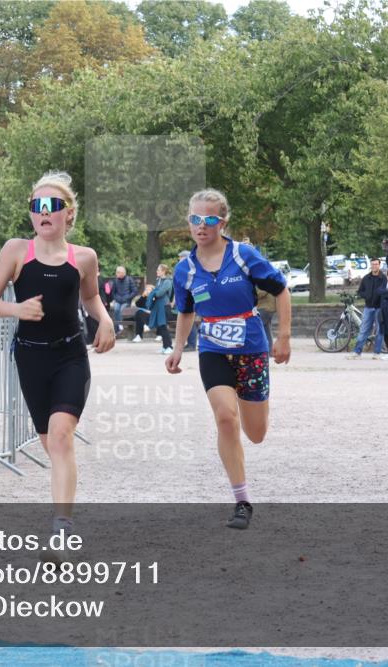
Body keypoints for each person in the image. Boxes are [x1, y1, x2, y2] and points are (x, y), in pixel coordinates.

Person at [0, 171, 115, 548]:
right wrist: (16, 309)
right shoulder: (16, 251)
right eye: (36, 206)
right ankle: (64, 510)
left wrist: (104, 320)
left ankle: (61, 528)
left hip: (70, 355)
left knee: (60, 436)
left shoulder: (84, 257)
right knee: (51, 443)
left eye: (52, 206)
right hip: (31, 360)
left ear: (67, 214)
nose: (43, 213)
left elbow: (90, 299)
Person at [166, 188, 291, 530]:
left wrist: (283, 337)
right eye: (195, 219)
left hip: (250, 348)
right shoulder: (185, 270)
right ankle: (242, 501)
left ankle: (258, 409)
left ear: (222, 222)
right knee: (225, 418)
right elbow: (186, 310)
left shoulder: (243, 255)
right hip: (212, 349)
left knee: (256, 433)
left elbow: (281, 290)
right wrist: (178, 347)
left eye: (208, 219)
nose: (201, 226)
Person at [347, 257, 386, 359]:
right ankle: (357, 352)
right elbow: (360, 291)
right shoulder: (366, 278)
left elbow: (386, 292)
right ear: (371, 266)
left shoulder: (384, 278)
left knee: (379, 331)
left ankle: (377, 353)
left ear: (379, 265)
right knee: (364, 330)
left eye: (376, 264)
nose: (374, 266)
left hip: (380, 308)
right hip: (368, 307)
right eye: (373, 264)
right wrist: (367, 295)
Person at [146, 264, 174, 354]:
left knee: (163, 326)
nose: (157, 271)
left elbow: (159, 293)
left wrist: (153, 292)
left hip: (164, 306)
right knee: (160, 327)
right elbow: (157, 292)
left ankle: (169, 346)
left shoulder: (167, 281)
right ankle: (164, 346)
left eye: (158, 270)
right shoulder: (159, 280)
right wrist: (154, 292)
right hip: (158, 306)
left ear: (163, 271)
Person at [108, 266, 137, 335]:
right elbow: (113, 293)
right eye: (117, 272)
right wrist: (116, 298)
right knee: (116, 309)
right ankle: (119, 326)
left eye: (118, 273)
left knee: (122, 310)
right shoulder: (115, 281)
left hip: (126, 301)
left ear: (123, 273)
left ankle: (123, 326)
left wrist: (127, 297)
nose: (116, 274)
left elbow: (134, 291)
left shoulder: (129, 280)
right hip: (118, 300)